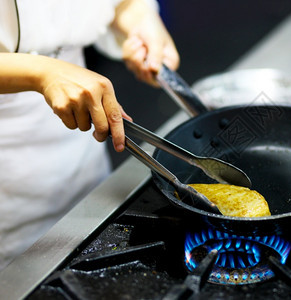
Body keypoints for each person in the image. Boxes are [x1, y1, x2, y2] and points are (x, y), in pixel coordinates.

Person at [0, 0, 180, 270]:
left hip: (81, 141)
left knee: (90, 239)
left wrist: (139, 19)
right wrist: (43, 73)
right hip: (9, 172)